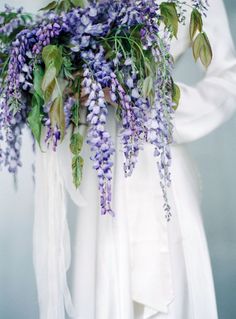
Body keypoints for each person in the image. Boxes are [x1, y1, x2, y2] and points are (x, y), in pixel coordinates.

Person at [18, 0, 235, 318]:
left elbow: (229, 79)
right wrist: (69, 83)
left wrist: (151, 101)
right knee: (105, 275)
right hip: (100, 167)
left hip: (158, 160)